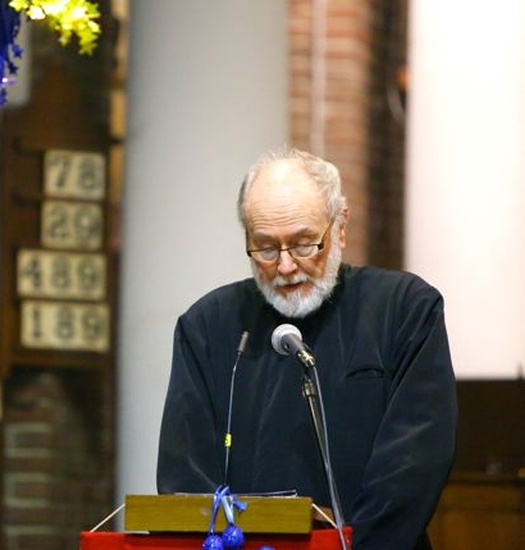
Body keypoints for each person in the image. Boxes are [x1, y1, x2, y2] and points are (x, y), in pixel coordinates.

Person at [156, 147, 457, 550]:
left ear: (341, 227)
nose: (284, 266)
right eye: (265, 248)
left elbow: (413, 466)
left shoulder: (404, 310)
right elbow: (185, 477)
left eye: (303, 244)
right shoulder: (208, 327)